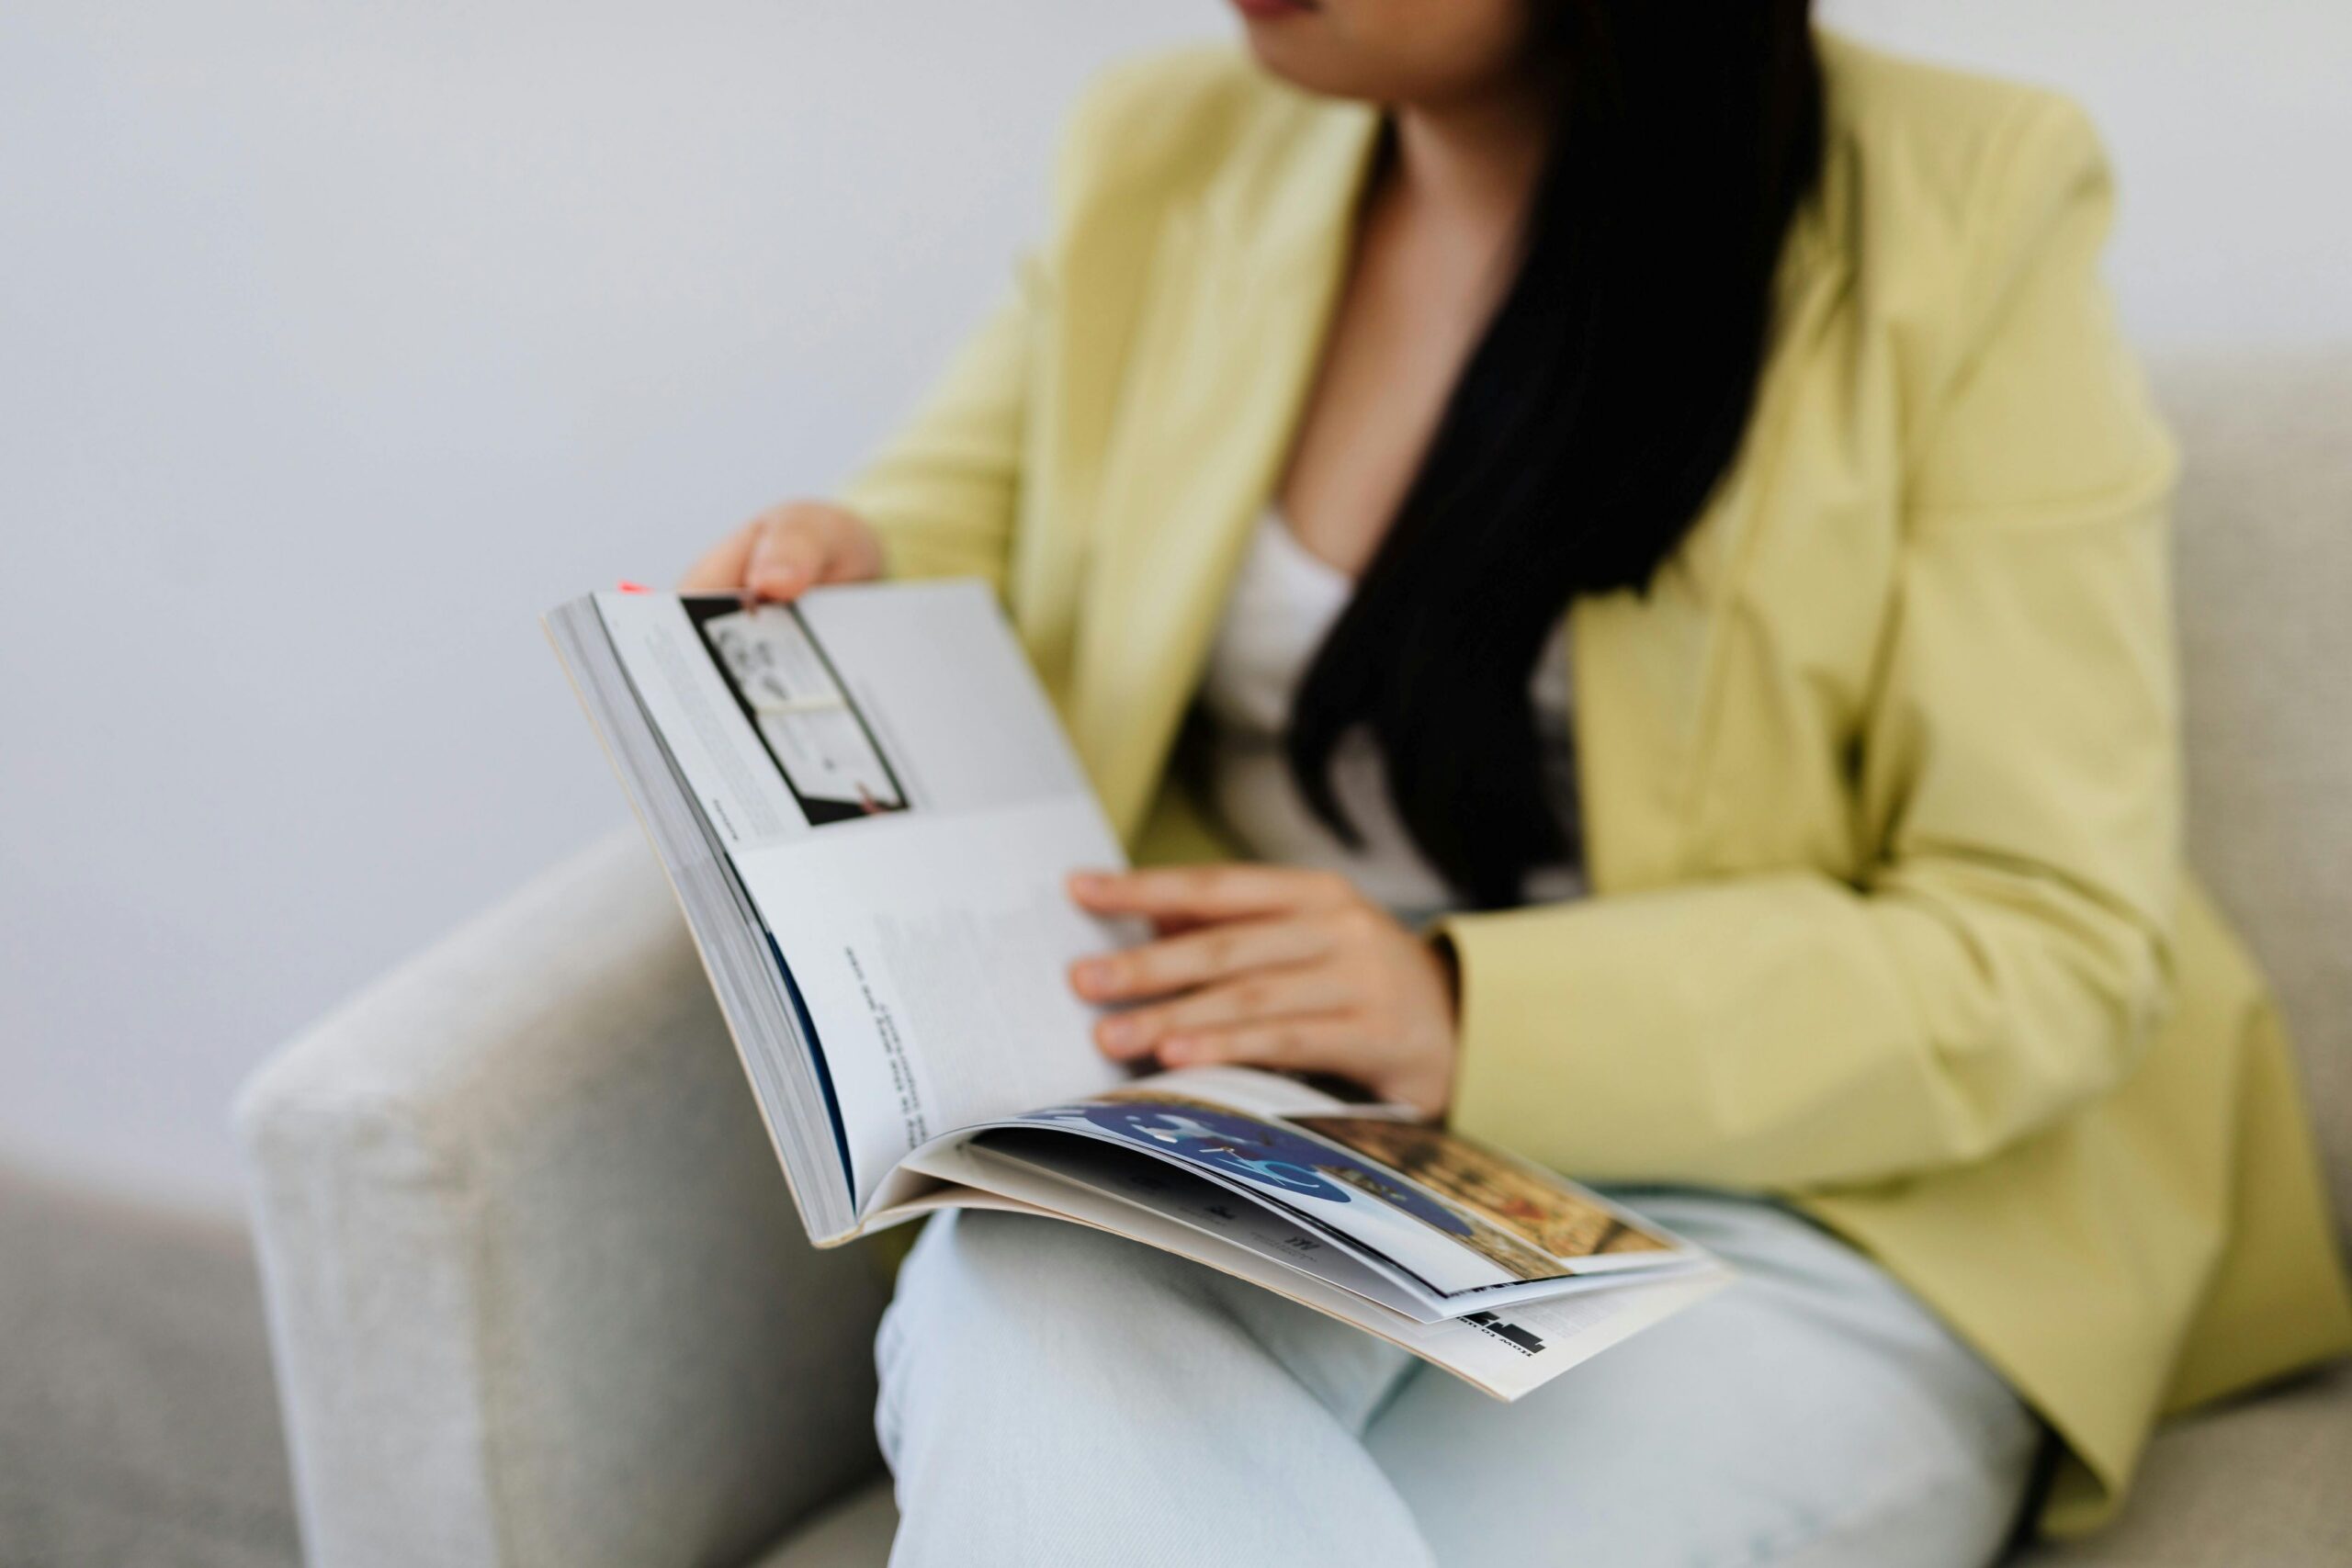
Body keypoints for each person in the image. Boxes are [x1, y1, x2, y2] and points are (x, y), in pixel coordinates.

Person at [684, 4, 2352, 1563]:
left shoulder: (1962, 198)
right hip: (1286, 1132)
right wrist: (847, 572)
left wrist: (1460, 1009)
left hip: (1828, 1196)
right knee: (1025, 1297)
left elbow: (2044, 942)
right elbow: (960, 514)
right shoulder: (1168, 146)